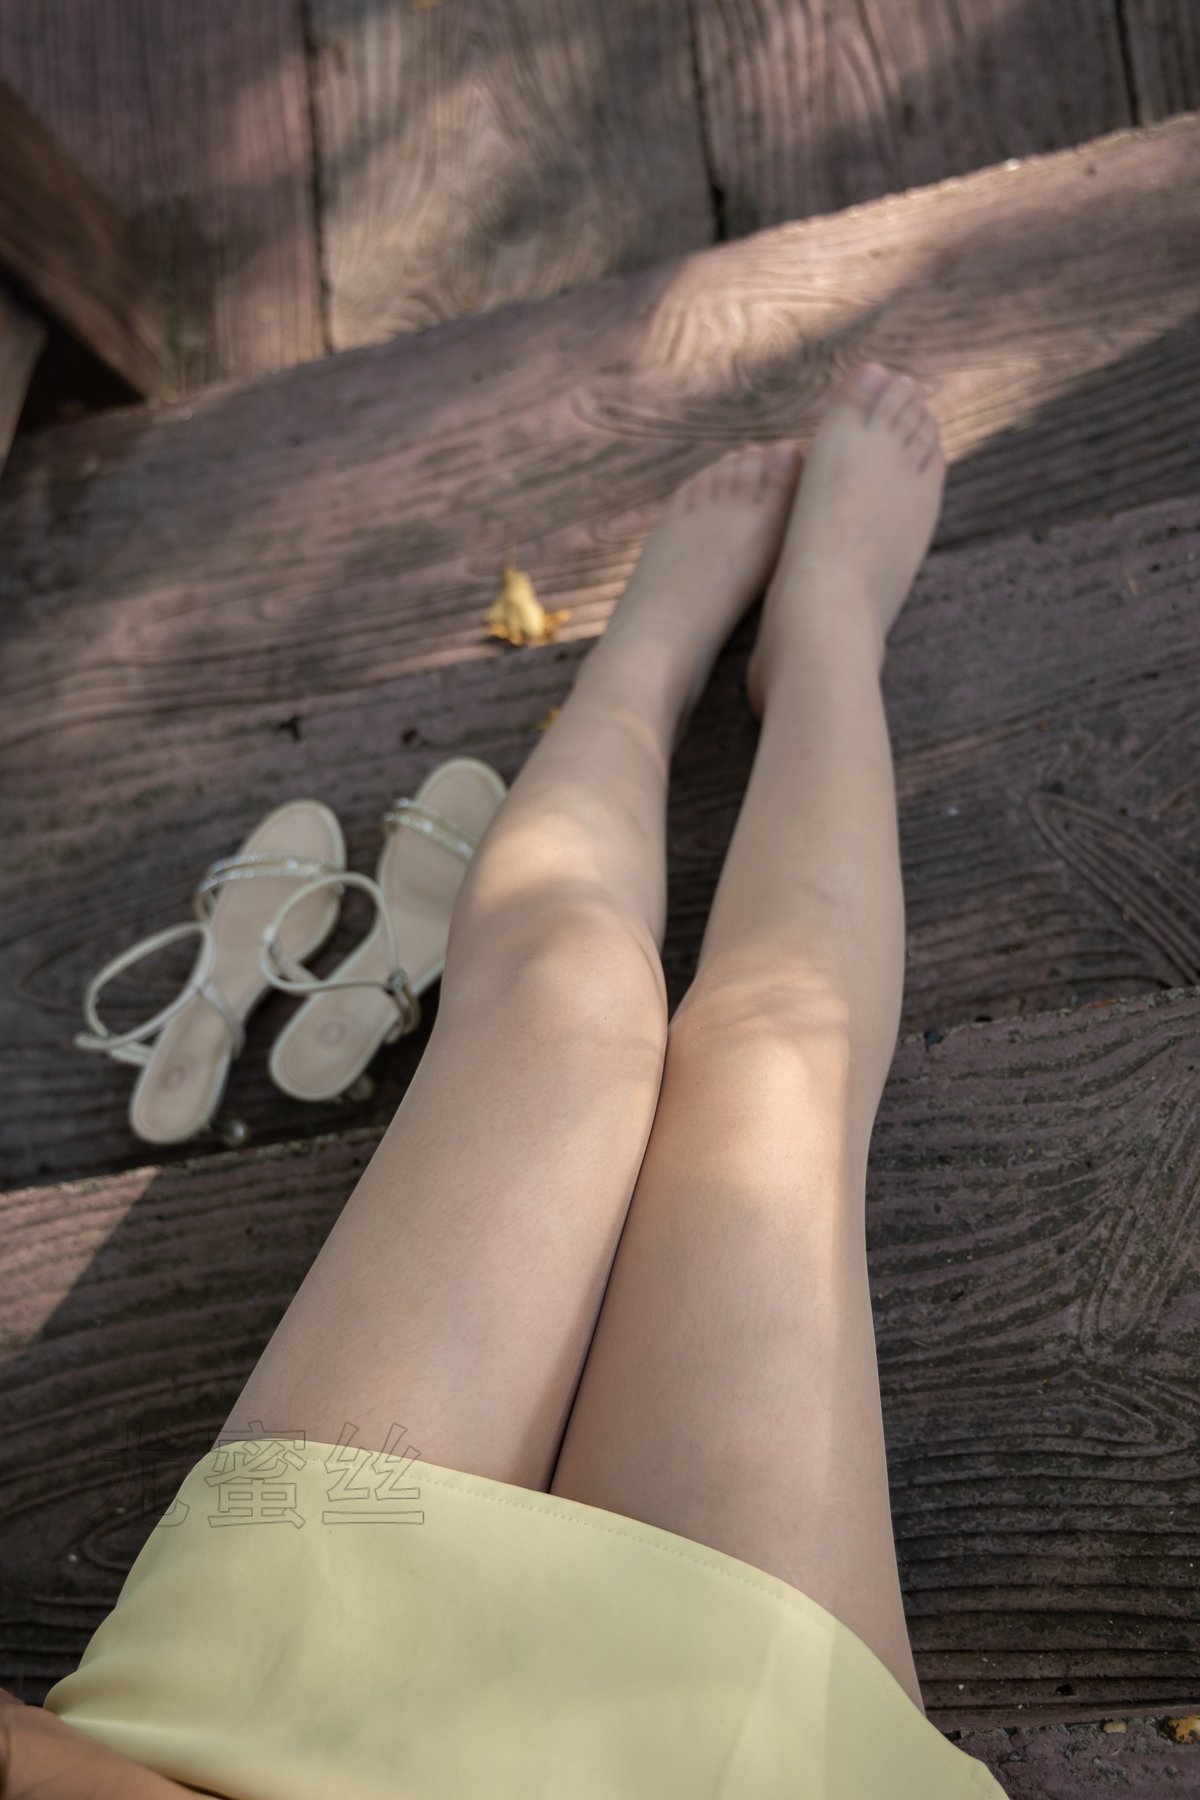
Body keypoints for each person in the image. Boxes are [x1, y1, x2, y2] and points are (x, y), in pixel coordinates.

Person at [1, 364, 1004, 1797]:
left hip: (270, 1710)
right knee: (778, 1060)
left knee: (562, 990)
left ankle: (642, 664)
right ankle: (828, 628)